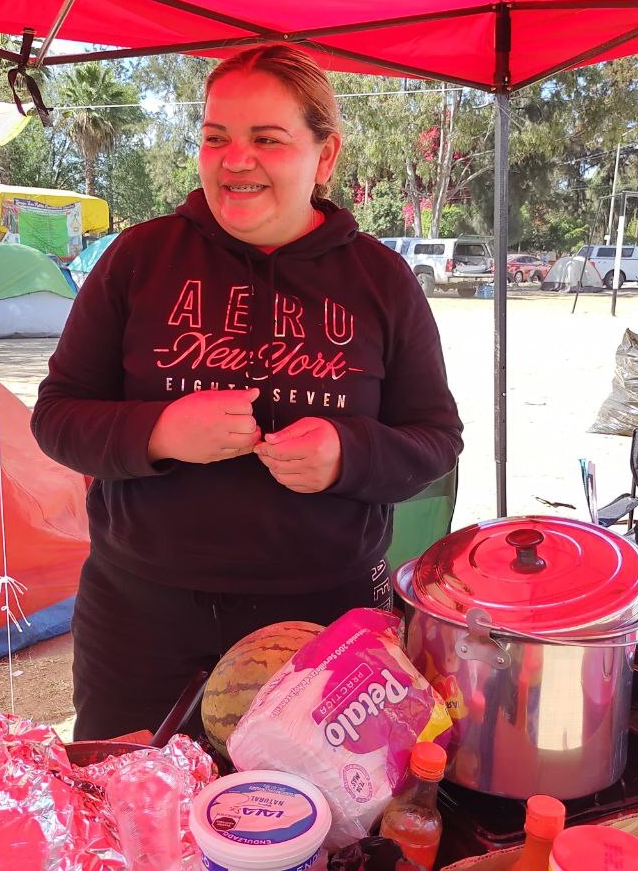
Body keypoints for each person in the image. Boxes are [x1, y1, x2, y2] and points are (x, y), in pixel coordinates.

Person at [32, 44, 463, 740]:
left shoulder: (381, 281)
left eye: (268, 139)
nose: (236, 160)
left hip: (323, 617)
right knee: (134, 814)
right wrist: (161, 432)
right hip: (142, 619)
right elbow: (57, 418)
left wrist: (347, 454)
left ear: (324, 157)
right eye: (216, 138)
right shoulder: (139, 259)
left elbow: (436, 441)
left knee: (314, 830)